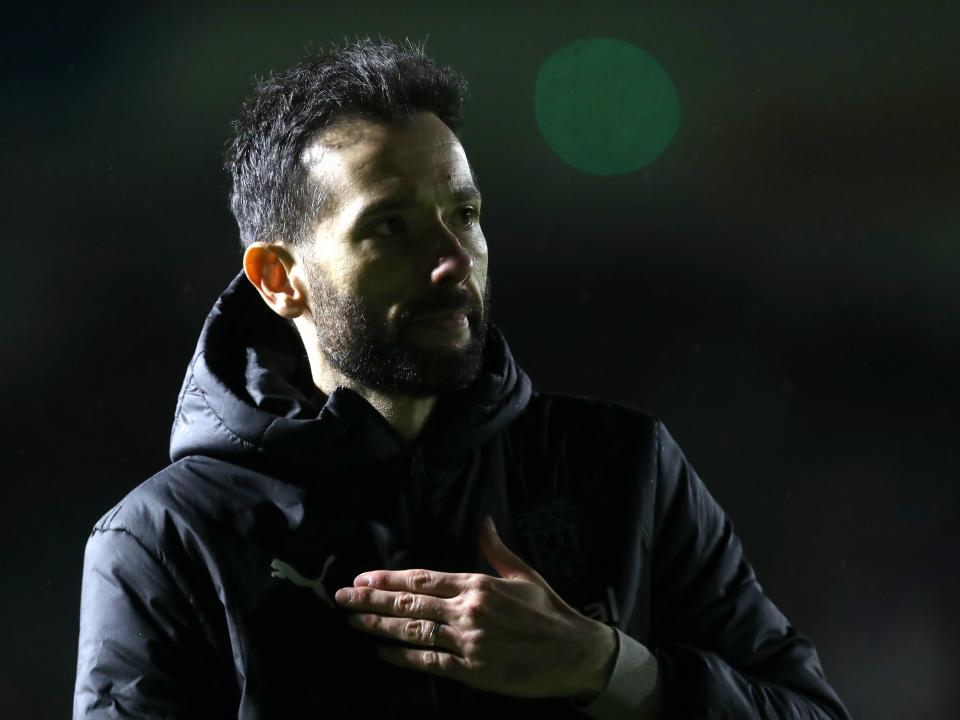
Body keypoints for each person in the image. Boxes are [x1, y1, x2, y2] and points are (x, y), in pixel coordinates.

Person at [72, 38, 850, 719]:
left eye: (465, 213)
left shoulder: (627, 467)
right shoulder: (166, 541)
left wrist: (606, 668)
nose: (452, 260)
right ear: (280, 278)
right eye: (390, 227)